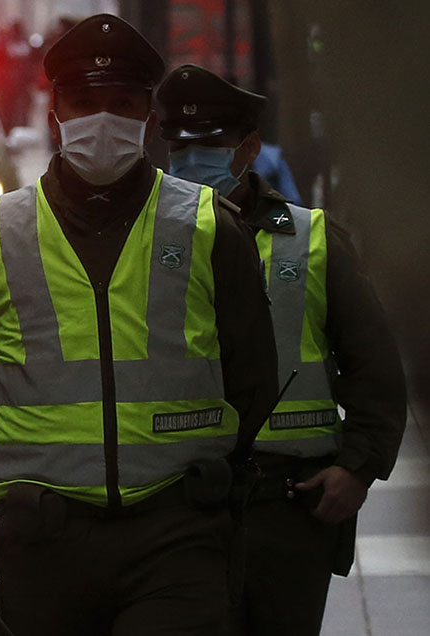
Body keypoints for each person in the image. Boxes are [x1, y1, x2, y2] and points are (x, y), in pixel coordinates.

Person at [0, 14, 279, 635]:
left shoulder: (207, 224)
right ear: (54, 115)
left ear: (149, 119)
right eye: (84, 102)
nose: (102, 120)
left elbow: (252, 372)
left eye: (121, 104)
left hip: (178, 528)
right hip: (45, 536)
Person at [157, 63, 407, 636]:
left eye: (211, 145)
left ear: (249, 148)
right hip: (176, 505)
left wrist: (357, 467)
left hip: (289, 505)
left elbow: (375, 368)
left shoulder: (311, 238)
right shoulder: (143, 237)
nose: (191, 159)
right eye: (178, 145)